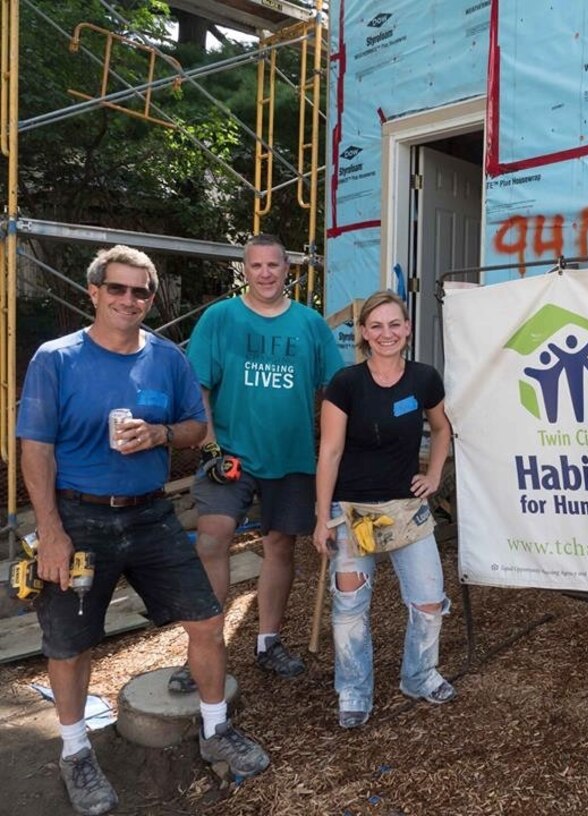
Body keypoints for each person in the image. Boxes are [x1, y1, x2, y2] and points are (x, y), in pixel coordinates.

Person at [16, 246, 269, 816]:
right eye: (117, 289)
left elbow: (196, 427)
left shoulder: (166, 359)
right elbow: (36, 448)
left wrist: (160, 435)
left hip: (150, 512)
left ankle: (214, 729)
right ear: (94, 292)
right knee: (70, 642)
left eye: (140, 292)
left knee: (206, 619)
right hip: (78, 517)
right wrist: (50, 532)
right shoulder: (56, 359)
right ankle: (77, 752)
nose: (129, 300)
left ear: (151, 299)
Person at [173, 233, 342, 690]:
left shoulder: (310, 325)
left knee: (280, 546)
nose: (265, 274)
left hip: (290, 458)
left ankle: (268, 642)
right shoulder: (221, 318)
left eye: (274, 265)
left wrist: (334, 447)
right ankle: (203, 649)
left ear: (288, 270)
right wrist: (210, 448)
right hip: (229, 454)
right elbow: (198, 389)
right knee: (212, 538)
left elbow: (335, 392)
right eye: (256, 266)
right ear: (244, 271)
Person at [312, 291, 455, 729]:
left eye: (395, 324)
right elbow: (330, 452)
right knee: (351, 605)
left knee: (429, 600)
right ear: (363, 333)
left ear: (408, 329)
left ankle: (419, 675)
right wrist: (323, 516)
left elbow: (442, 427)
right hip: (353, 510)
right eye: (376, 326)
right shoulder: (346, 384)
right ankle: (354, 690)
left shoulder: (424, 379)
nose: (386, 333)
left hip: (406, 508)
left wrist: (433, 475)